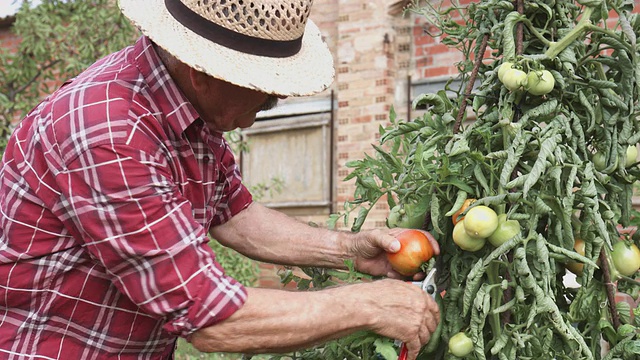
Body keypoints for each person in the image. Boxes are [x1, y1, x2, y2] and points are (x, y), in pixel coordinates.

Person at [0, 0, 441, 359]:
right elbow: (211, 318)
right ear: (206, 73)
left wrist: (349, 250)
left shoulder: (186, 111)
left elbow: (234, 214)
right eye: (265, 91)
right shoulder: (110, 133)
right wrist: (364, 305)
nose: (269, 104)